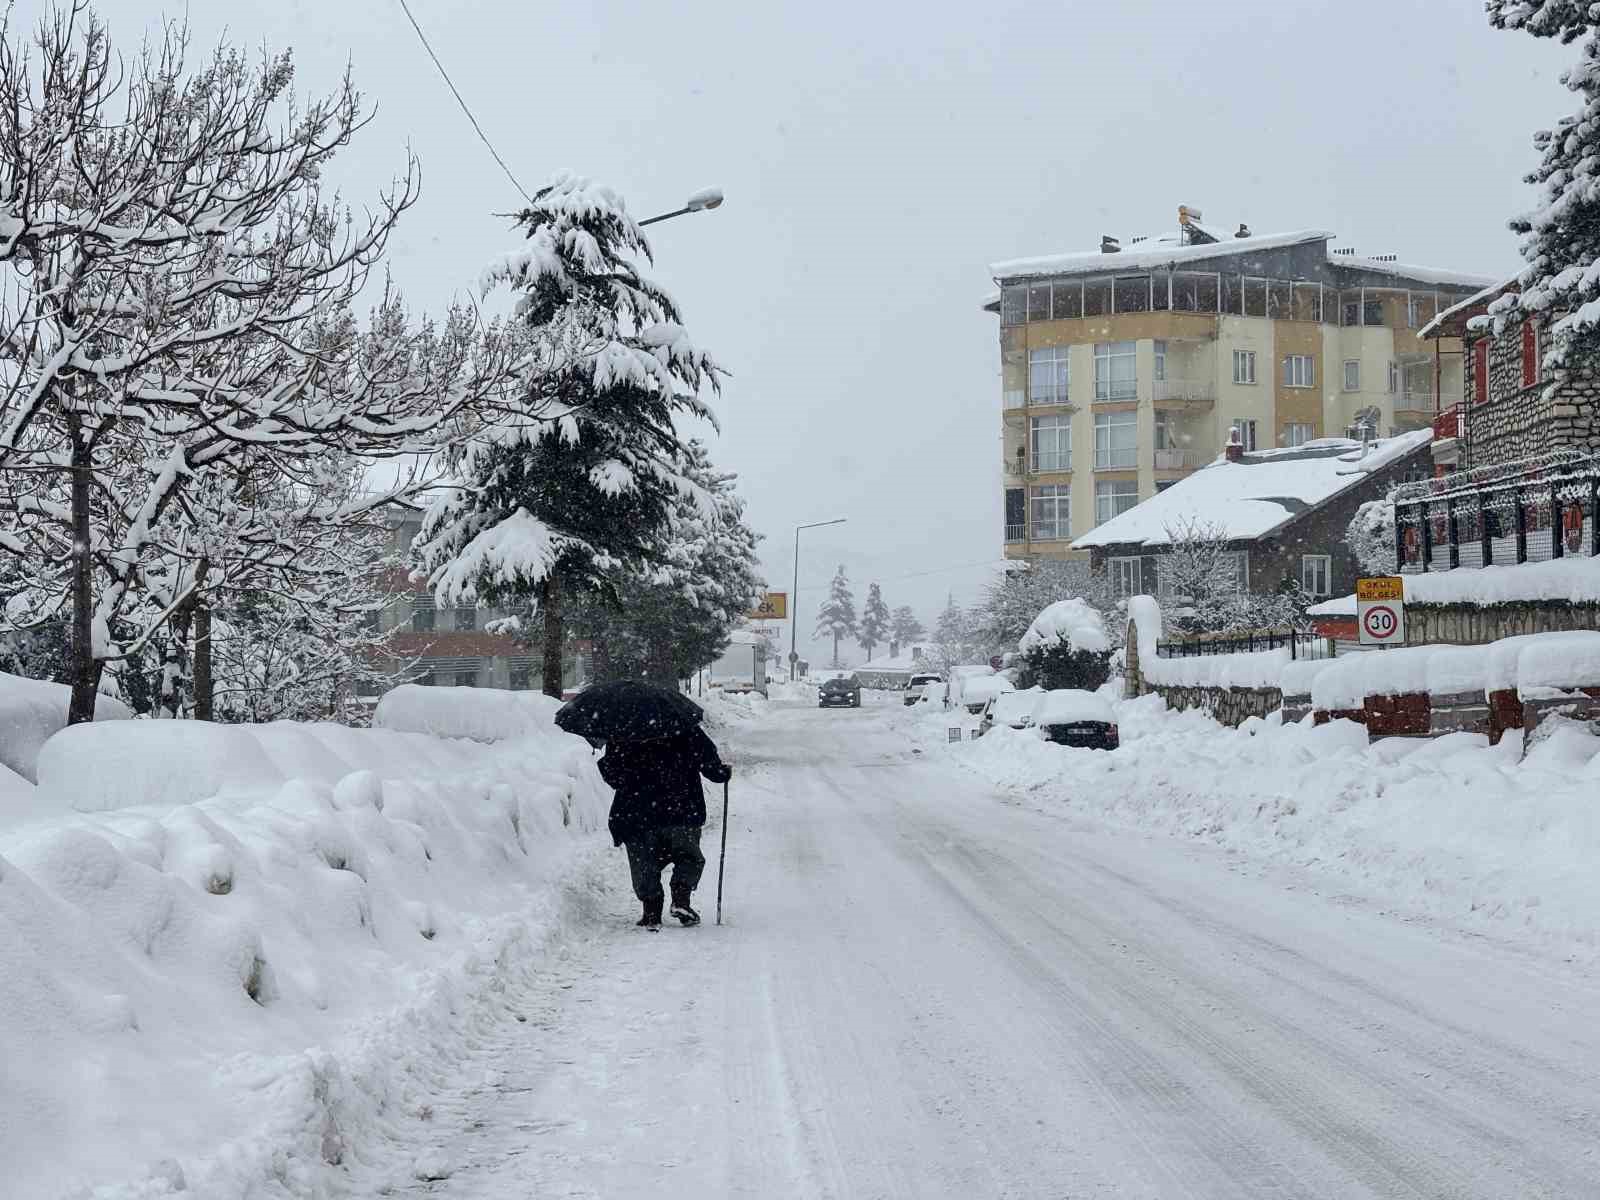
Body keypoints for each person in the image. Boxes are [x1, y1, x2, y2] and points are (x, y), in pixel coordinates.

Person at [597, 725, 732, 930]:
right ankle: (680, 898)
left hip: (637, 812)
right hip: (681, 807)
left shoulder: (623, 730)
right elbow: (708, 763)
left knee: (643, 861)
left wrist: (622, 763)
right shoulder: (684, 726)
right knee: (688, 856)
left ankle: (651, 911)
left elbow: (614, 776)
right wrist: (722, 772)